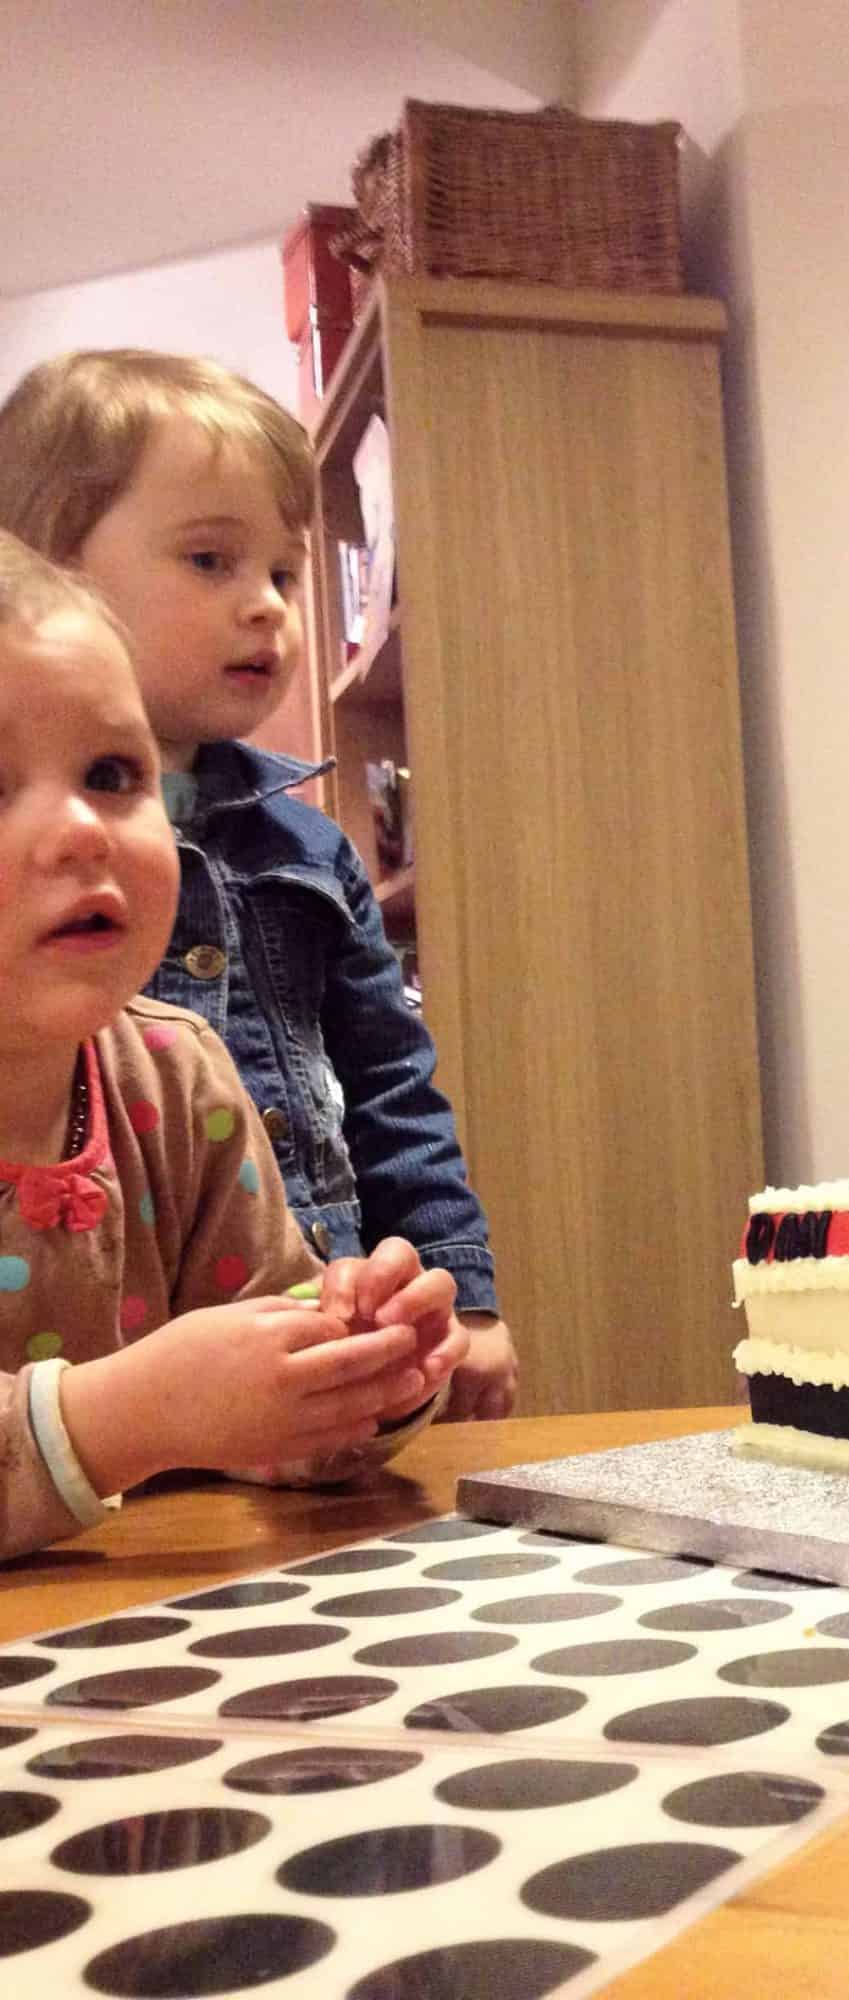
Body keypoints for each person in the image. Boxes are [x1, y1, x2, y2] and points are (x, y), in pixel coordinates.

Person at [0, 349, 516, 1420]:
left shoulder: (306, 859)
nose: (269, 607)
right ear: (50, 571)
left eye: (284, 572)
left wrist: (430, 1306)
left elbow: (392, 1090)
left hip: (276, 1320)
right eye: (208, 559)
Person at [0, 532, 468, 1557]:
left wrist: (358, 1367)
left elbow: (252, 1404)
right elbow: (161, 1410)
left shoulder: (178, 1072)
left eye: (114, 772)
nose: (82, 829)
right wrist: (122, 1416)